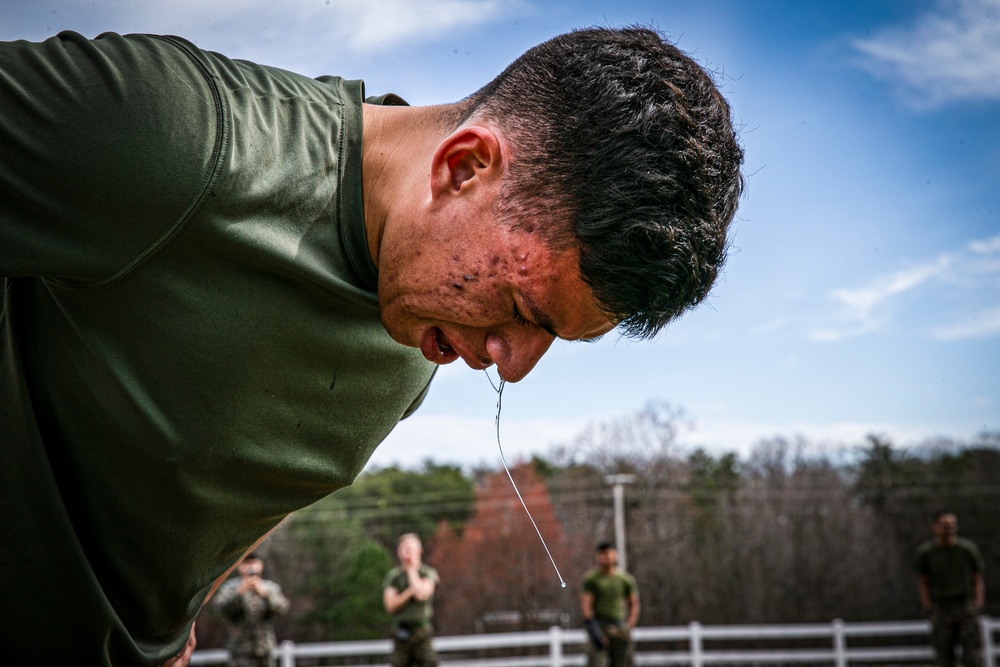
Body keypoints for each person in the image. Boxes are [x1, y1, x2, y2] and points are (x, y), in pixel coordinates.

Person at [0, 25, 744, 666]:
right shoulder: (180, 137)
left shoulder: (422, 337)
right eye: (522, 309)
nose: (511, 363)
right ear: (463, 168)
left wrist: (165, 613)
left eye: (555, 340)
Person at [915, 511, 986, 667]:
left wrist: (977, 605)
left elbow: (977, 578)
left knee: (972, 655)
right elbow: (923, 582)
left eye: (952, 525)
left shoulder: (967, 550)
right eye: (945, 525)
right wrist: (928, 607)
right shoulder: (926, 553)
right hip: (941, 608)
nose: (949, 529)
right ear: (935, 527)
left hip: (965, 606)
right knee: (944, 655)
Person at [213, 554, 290, 667]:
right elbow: (219, 608)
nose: (250, 567)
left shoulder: (269, 587)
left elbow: (283, 607)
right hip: (239, 649)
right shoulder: (230, 588)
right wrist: (238, 594)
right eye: (246, 564)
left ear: (260, 565)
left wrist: (265, 595)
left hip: (264, 648)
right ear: (240, 566)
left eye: (254, 563)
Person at [382, 534, 440, 667]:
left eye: (410, 548)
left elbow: (422, 595)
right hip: (401, 633)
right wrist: (410, 592)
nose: (406, 552)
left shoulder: (427, 573)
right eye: (403, 549)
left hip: (422, 632)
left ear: (419, 550)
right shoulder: (393, 577)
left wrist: (411, 572)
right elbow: (391, 606)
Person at [580, 541, 640, 667]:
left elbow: (634, 604)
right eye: (601, 554)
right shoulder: (591, 580)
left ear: (614, 555)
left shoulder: (625, 580)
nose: (605, 557)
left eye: (607, 554)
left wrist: (629, 626)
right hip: (600, 626)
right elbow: (586, 607)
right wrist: (595, 632)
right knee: (597, 662)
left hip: (619, 626)